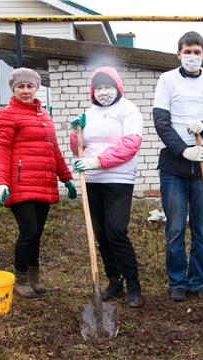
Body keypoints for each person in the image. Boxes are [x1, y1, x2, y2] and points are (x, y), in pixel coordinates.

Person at [153, 31, 203, 301]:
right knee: (175, 228)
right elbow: (161, 121)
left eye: (197, 52)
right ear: (178, 54)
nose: (192, 56)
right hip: (174, 164)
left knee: (201, 228)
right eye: (187, 51)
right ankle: (177, 281)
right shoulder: (167, 80)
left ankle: (198, 280)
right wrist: (183, 149)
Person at [0, 67, 77, 299]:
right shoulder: (6, 114)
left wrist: (66, 177)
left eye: (30, 86)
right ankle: (20, 279)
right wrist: (0, 182)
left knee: (36, 233)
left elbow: (53, 150)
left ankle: (34, 278)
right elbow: (1, 149)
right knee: (28, 231)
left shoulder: (44, 115)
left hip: (43, 182)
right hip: (19, 184)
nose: (26, 90)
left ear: (36, 88)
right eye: (21, 86)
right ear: (13, 89)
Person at [70, 66, 144, 308]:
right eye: (98, 87)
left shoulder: (128, 109)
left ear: (117, 87)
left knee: (116, 231)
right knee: (101, 234)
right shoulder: (88, 113)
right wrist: (75, 133)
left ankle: (133, 283)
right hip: (92, 181)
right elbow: (78, 148)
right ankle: (115, 280)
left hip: (118, 179)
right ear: (92, 90)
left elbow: (131, 144)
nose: (103, 92)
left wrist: (98, 161)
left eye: (108, 86)